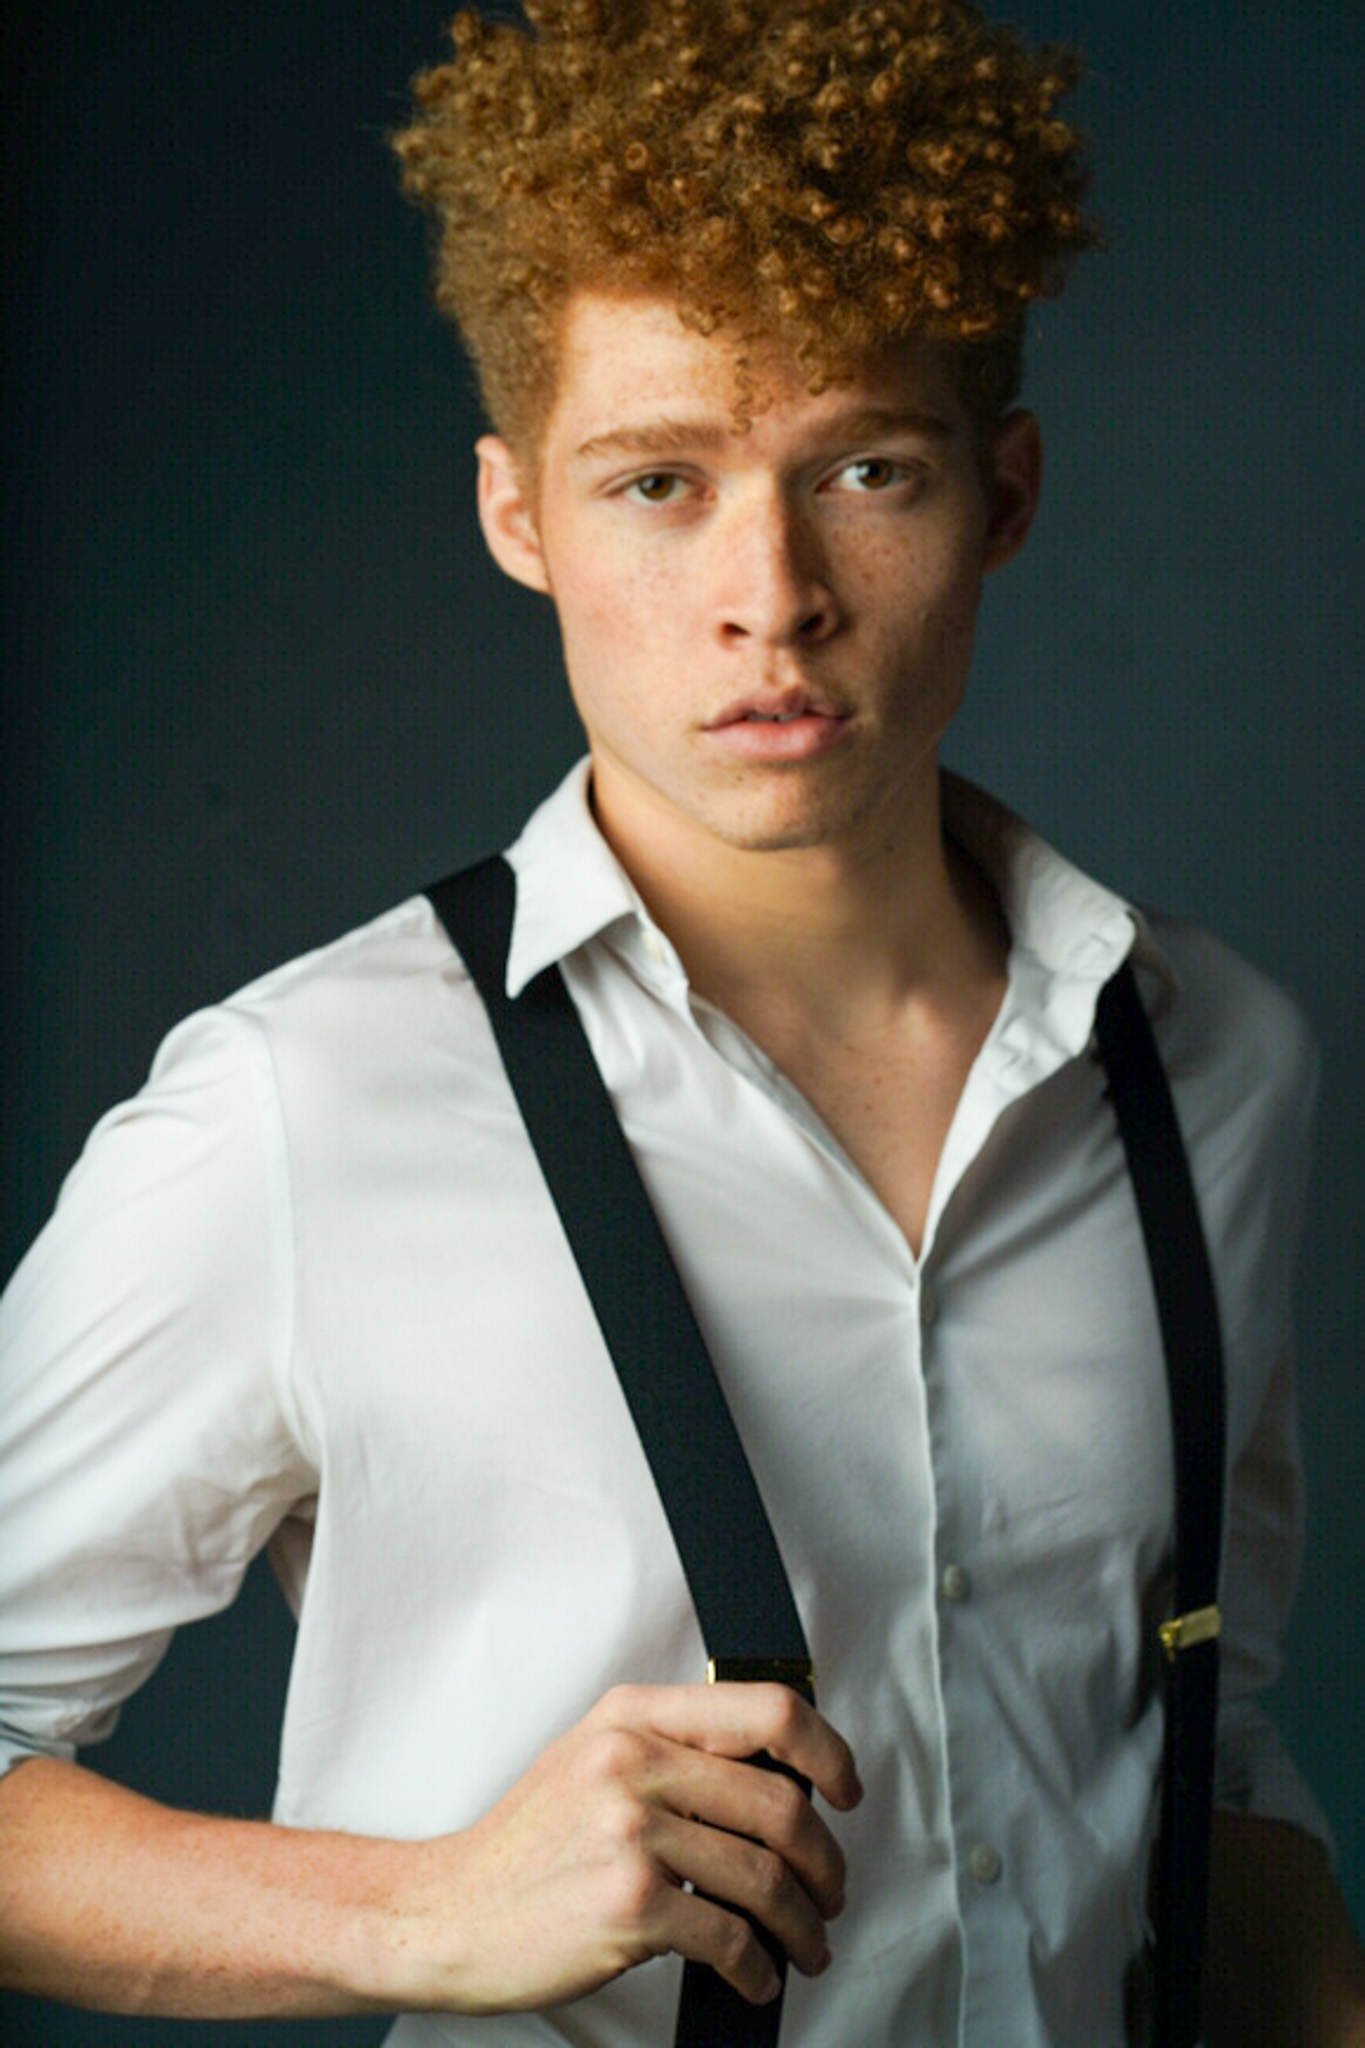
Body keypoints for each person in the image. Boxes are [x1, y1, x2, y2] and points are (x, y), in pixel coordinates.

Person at [0, 1, 1362, 2042]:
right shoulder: (300, 1107)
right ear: (515, 514)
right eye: (656, 481)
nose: (770, 594)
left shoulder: (1214, 1064)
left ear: (999, 494)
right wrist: (416, 1913)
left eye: (863, 468)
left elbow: (1198, 1741)